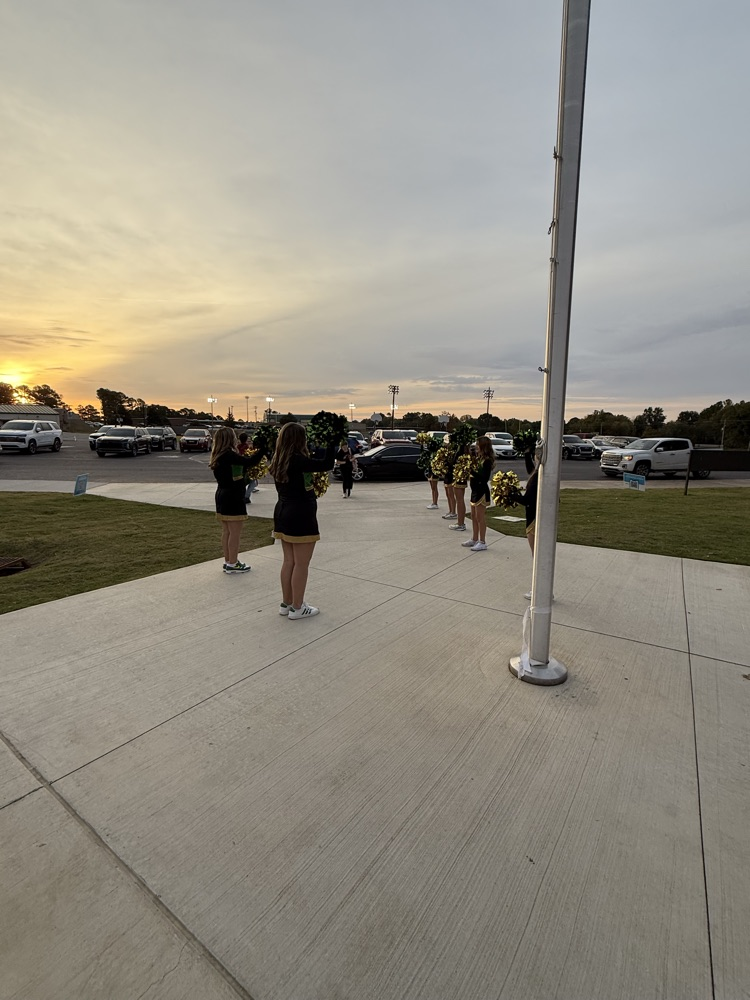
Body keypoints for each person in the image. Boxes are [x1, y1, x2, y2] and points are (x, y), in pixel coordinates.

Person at [269, 422, 335, 619]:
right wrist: (332, 442)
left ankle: (286, 603)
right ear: (299, 439)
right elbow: (327, 464)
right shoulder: (297, 460)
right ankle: (298, 607)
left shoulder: (278, 459)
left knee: (289, 561)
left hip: (283, 510)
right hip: (300, 513)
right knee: (301, 564)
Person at [208, 427, 262, 573]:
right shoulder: (229, 455)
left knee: (227, 531)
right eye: (233, 437)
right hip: (232, 496)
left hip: (222, 494)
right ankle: (233, 563)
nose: (236, 439)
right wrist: (263, 450)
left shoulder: (219, 455)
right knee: (235, 533)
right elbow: (249, 462)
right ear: (229, 439)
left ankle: (228, 561)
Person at [462, 436, 495, 551]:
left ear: (483, 446)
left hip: (481, 491)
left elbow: (484, 478)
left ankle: (482, 541)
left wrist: (471, 471)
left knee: (480, 517)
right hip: (474, 491)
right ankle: (474, 538)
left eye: (477, 444)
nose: (475, 446)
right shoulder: (478, 458)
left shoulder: (487, 461)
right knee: (473, 516)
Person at [448, 444, 471, 532]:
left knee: (460, 500)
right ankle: (460, 522)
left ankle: (461, 523)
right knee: (460, 500)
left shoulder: (460, 454)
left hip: (459, 478)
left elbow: (453, 464)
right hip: (460, 478)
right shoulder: (465, 453)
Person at [237, 431, 257, 504]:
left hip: (239, 469)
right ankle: (246, 496)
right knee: (253, 483)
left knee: (242, 483)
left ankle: (242, 496)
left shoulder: (237, 448)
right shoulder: (248, 449)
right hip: (247, 469)